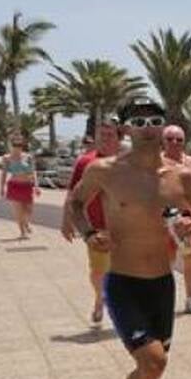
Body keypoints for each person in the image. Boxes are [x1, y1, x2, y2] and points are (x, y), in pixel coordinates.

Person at [67, 97, 191, 379]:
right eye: (139, 121)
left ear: (165, 125)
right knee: (153, 362)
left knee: (155, 368)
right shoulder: (105, 170)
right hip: (124, 283)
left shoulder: (184, 175)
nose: (147, 127)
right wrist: (88, 234)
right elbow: (76, 203)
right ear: (126, 128)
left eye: (154, 120)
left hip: (162, 284)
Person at [63, 118, 123, 325]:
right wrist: (66, 219)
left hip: (123, 227)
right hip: (95, 226)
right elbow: (72, 193)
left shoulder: (128, 162)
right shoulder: (85, 162)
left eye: (110, 135)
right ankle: (99, 299)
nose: (105, 139)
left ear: (119, 138)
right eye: (101, 135)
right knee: (98, 270)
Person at [162, 124, 191, 314]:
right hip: (165, 218)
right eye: (170, 139)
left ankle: (190, 299)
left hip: (189, 219)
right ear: (163, 141)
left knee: (190, 259)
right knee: (166, 262)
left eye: (179, 139)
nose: (174, 143)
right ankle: (162, 301)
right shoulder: (156, 162)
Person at [0, 133, 40, 239]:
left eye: (20, 145)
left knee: (29, 210)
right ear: (11, 145)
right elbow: (3, 173)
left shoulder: (28, 156)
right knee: (18, 211)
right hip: (14, 185)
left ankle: (26, 223)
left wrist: (36, 186)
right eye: (15, 144)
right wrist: (2, 188)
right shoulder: (6, 158)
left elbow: (33, 172)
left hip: (27, 185)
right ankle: (22, 232)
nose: (18, 147)